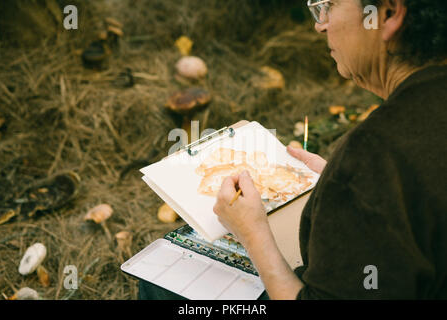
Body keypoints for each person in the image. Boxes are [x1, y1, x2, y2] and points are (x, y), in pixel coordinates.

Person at [139, 0, 447, 299]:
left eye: (330, 5)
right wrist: (350, 189)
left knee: (161, 287)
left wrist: (253, 235)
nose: (319, 24)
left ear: (388, 12)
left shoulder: (374, 150)